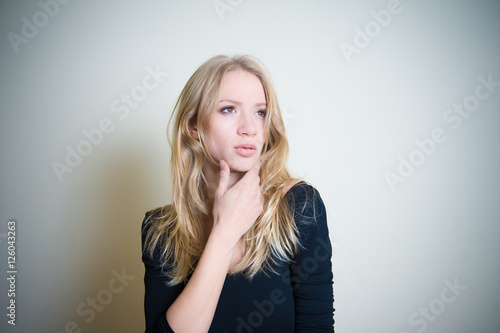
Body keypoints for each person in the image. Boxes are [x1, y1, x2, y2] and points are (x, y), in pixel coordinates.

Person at [141, 54, 334, 332]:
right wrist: (224, 233)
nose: (250, 129)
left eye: (260, 112)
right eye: (229, 109)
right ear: (193, 125)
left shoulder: (300, 206)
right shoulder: (159, 230)